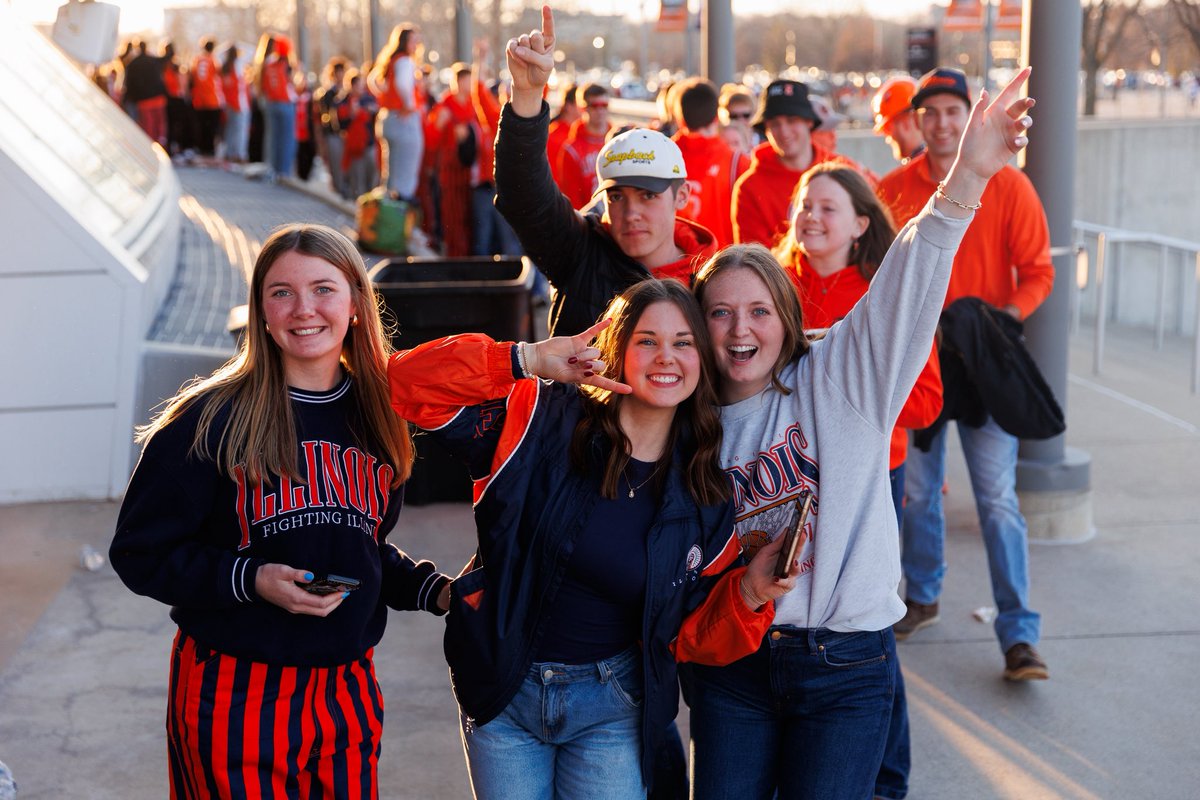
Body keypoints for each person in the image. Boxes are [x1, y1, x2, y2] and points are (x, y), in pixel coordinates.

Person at [685, 67, 1038, 799]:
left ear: (788, 322)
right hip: (732, 670)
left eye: (758, 311)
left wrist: (968, 177)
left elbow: (912, 271)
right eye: (719, 313)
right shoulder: (687, 418)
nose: (740, 328)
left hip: (842, 663)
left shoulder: (838, 373)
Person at [386, 278, 800, 799]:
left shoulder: (705, 495)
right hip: (503, 694)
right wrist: (526, 358)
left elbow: (692, 637)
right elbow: (403, 383)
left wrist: (750, 594)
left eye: (683, 342)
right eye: (646, 340)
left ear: (701, 360)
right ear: (616, 351)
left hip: (612, 709)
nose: (665, 357)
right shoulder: (539, 420)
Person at [109, 224, 453, 797]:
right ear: (261, 311)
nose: (303, 309)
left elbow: (357, 548)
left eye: (323, 288)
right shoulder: (208, 420)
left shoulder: (379, 415)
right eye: (281, 292)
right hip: (234, 692)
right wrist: (251, 579)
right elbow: (139, 553)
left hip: (346, 690)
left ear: (355, 306)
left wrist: (435, 591)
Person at [773, 161, 944, 800]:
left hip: (870, 481)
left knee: (860, 628)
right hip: (782, 478)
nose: (810, 216)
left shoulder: (882, 300)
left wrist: (852, 395)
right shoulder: (768, 289)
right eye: (804, 204)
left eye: (827, 207)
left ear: (861, 223)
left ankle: (886, 779)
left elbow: (925, 402)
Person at [876, 67, 1054, 681]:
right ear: (915, 121)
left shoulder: (1011, 187)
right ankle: (922, 596)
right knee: (920, 491)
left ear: (969, 118)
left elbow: (1038, 273)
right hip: (921, 362)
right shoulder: (895, 187)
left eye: (955, 111)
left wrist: (998, 321)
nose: (943, 123)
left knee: (998, 500)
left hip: (984, 367)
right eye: (931, 113)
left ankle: (1019, 634)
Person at [495, 7, 716, 338]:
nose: (631, 214)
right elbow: (523, 194)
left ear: (681, 196)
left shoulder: (713, 281)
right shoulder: (581, 252)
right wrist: (526, 95)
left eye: (648, 196)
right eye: (616, 196)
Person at [732, 78, 873, 248]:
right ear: (766, 130)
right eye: (775, 124)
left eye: (792, 120)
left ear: (809, 122)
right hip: (780, 274)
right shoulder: (749, 187)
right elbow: (756, 263)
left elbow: (870, 237)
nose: (784, 131)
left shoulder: (844, 169)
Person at [672, 77, 750, 248]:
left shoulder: (664, 156)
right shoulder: (737, 162)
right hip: (721, 265)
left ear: (680, 119)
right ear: (716, 117)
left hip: (675, 265)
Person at [368, 24, 425, 201]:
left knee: (390, 176)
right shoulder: (405, 61)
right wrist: (408, 104)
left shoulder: (391, 60)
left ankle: (385, 216)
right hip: (403, 122)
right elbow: (402, 84)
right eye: (413, 41)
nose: (416, 45)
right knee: (405, 179)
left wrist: (388, 98)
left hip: (387, 118)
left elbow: (373, 81)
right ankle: (397, 219)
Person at [556, 83, 613, 208]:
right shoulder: (571, 150)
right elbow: (571, 197)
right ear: (583, 108)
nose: (600, 111)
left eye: (604, 105)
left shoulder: (617, 140)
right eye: (595, 106)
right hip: (589, 220)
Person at [254, 33, 298, 180]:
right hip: (285, 103)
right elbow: (293, 84)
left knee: (272, 138)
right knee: (286, 139)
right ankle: (283, 172)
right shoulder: (285, 63)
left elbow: (261, 85)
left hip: (270, 103)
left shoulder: (264, 63)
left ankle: (271, 168)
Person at [872, 76, 925, 164]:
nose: (887, 138)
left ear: (906, 122)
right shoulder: (938, 163)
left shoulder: (923, 170)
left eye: (887, 129)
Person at [190, 37, 225, 158]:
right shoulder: (213, 61)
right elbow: (219, 75)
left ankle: (201, 147)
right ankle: (209, 149)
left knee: (201, 125)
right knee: (211, 127)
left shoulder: (197, 60)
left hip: (199, 99)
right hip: (212, 99)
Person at [220, 44, 250, 164]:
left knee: (230, 129)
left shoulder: (225, 66)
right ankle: (239, 154)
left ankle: (229, 153)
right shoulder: (237, 65)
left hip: (228, 103)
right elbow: (250, 53)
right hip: (239, 103)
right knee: (240, 130)